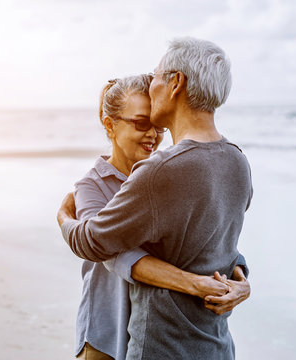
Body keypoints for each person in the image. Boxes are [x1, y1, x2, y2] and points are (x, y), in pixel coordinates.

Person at [58, 37, 253, 360]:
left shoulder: (161, 171)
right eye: (140, 123)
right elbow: (211, 244)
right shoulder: (237, 161)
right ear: (110, 126)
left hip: (162, 344)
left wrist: (64, 216)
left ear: (176, 83)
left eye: (158, 76)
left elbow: (93, 242)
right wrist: (232, 280)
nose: (153, 87)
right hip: (205, 344)